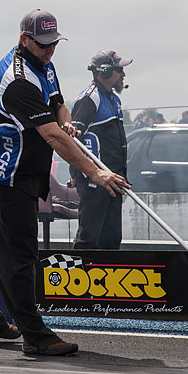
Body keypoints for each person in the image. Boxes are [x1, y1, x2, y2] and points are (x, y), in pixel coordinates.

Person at [0, 9, 129, 357]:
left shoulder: (44, 64)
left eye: (54, 44)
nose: (49, 50)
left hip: (26, 168)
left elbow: (57, 105)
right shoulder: (18, 80)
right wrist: (96, 172)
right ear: (24, 40)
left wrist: (68, 121)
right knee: (22, 254)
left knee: (4, 245)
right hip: (3, 173)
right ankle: (35, 335)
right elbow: (52, 136)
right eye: (43, 45)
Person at [70, 50, 132, 250]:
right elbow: (72, 140)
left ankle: (107, 271)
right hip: (94, 182)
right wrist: (81, 173)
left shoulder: (114, 99)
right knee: (89, 240)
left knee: (111, 241)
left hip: (114, 180)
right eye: (119, 70)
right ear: (104, 72)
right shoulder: (89, 99)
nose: (123, 74)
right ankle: (80, 270)